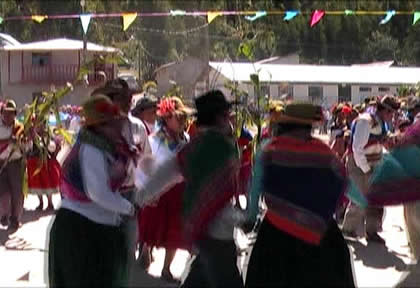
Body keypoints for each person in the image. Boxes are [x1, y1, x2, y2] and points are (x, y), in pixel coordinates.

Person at [135, 90, 247, 288]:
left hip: (197, 226)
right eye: (226, 115)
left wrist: (142, 197)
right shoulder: (221, 146)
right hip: (217, 231)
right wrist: (241, 218)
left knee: (201, 277)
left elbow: (167, 172)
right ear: (220, 118)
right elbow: (218, 195)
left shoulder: (194, 146)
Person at [245, 103, 355, 287]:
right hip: (320, 231)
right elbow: (347, 185)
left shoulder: (268, 149)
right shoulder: (323, 152)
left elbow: (255, 188)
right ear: (309, 126)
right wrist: (366, 200)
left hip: (276, 232)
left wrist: (250, 217)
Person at [48, 94, 140, 287]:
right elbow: (98, 193)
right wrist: (130, 208)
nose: (117, 128)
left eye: (117, 123)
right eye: (111, 124)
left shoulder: (110, 149)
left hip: (100, 227)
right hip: (81, 230)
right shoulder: (91, 150)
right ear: (97, 127)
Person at [136, 96, 194, 282]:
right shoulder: (155, 140)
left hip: (179, 191)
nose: (184, 122)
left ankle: (166, 269)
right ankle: (145, 253)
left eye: (184, 118)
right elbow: (145, 166)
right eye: (179, 117)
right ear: (167, 118)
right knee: (152, 227)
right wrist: (149, 190)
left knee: (175, 232)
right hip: (160, 191)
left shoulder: (185, 138)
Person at [342, 95, 400, 243]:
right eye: (391, 112)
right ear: (384, 110)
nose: (392, 116)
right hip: (359, 164)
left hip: (376, 163)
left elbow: (381, 142)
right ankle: (348, 230)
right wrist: (367, 169)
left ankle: (372, 231)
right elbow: (357, 149)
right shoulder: (365, 121)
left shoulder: (383, 123)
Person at [0, 100, 24, 232]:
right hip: (0, 163)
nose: (8, 116)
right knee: (2, 191)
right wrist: (8, 141)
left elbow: (26, 146)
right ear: (1, 113)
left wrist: (29, 138)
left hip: (15, 163)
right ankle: (4, 214)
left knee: (16, 192)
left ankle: (15, 219)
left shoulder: (20, 128)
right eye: (5, 113)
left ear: (15, 114)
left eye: (11, 113)